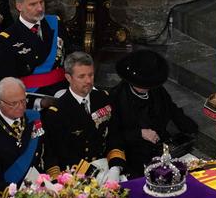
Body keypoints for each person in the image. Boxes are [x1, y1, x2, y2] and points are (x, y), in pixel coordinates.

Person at [107, 49, 198, 178]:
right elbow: (113, 134)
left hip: (160, 149)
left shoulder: (156, 90)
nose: (147, 88)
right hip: (134, 153)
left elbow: (172, 109)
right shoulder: (116, 97)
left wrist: (191, 129)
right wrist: (140, 133)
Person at [42, 51, 117, 178]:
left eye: (91, 75)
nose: (88, 81)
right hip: (77, 175)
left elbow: (115, 134)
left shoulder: (103, 98)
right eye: (81, 76)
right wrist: (95, 174)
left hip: (107, 166)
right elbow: (61, 154)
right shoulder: (57, 112)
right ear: (68, 78)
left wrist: (116, 166)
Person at [0, 0, 67, 94]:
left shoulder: (55, 23)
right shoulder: (8, 39)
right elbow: (7, 85)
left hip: (63, 87)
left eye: (41, 2)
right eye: (33, 4)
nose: (39, 8)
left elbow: (70, 56)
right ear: (19, 6)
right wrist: (38, 102)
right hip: (33, 97)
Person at [0, 77, 44, 195]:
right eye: (14, 103)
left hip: (41, 185)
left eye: (23, 100)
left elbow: (47, 153)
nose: (21, 106)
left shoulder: (33, 118)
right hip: (12, 195)